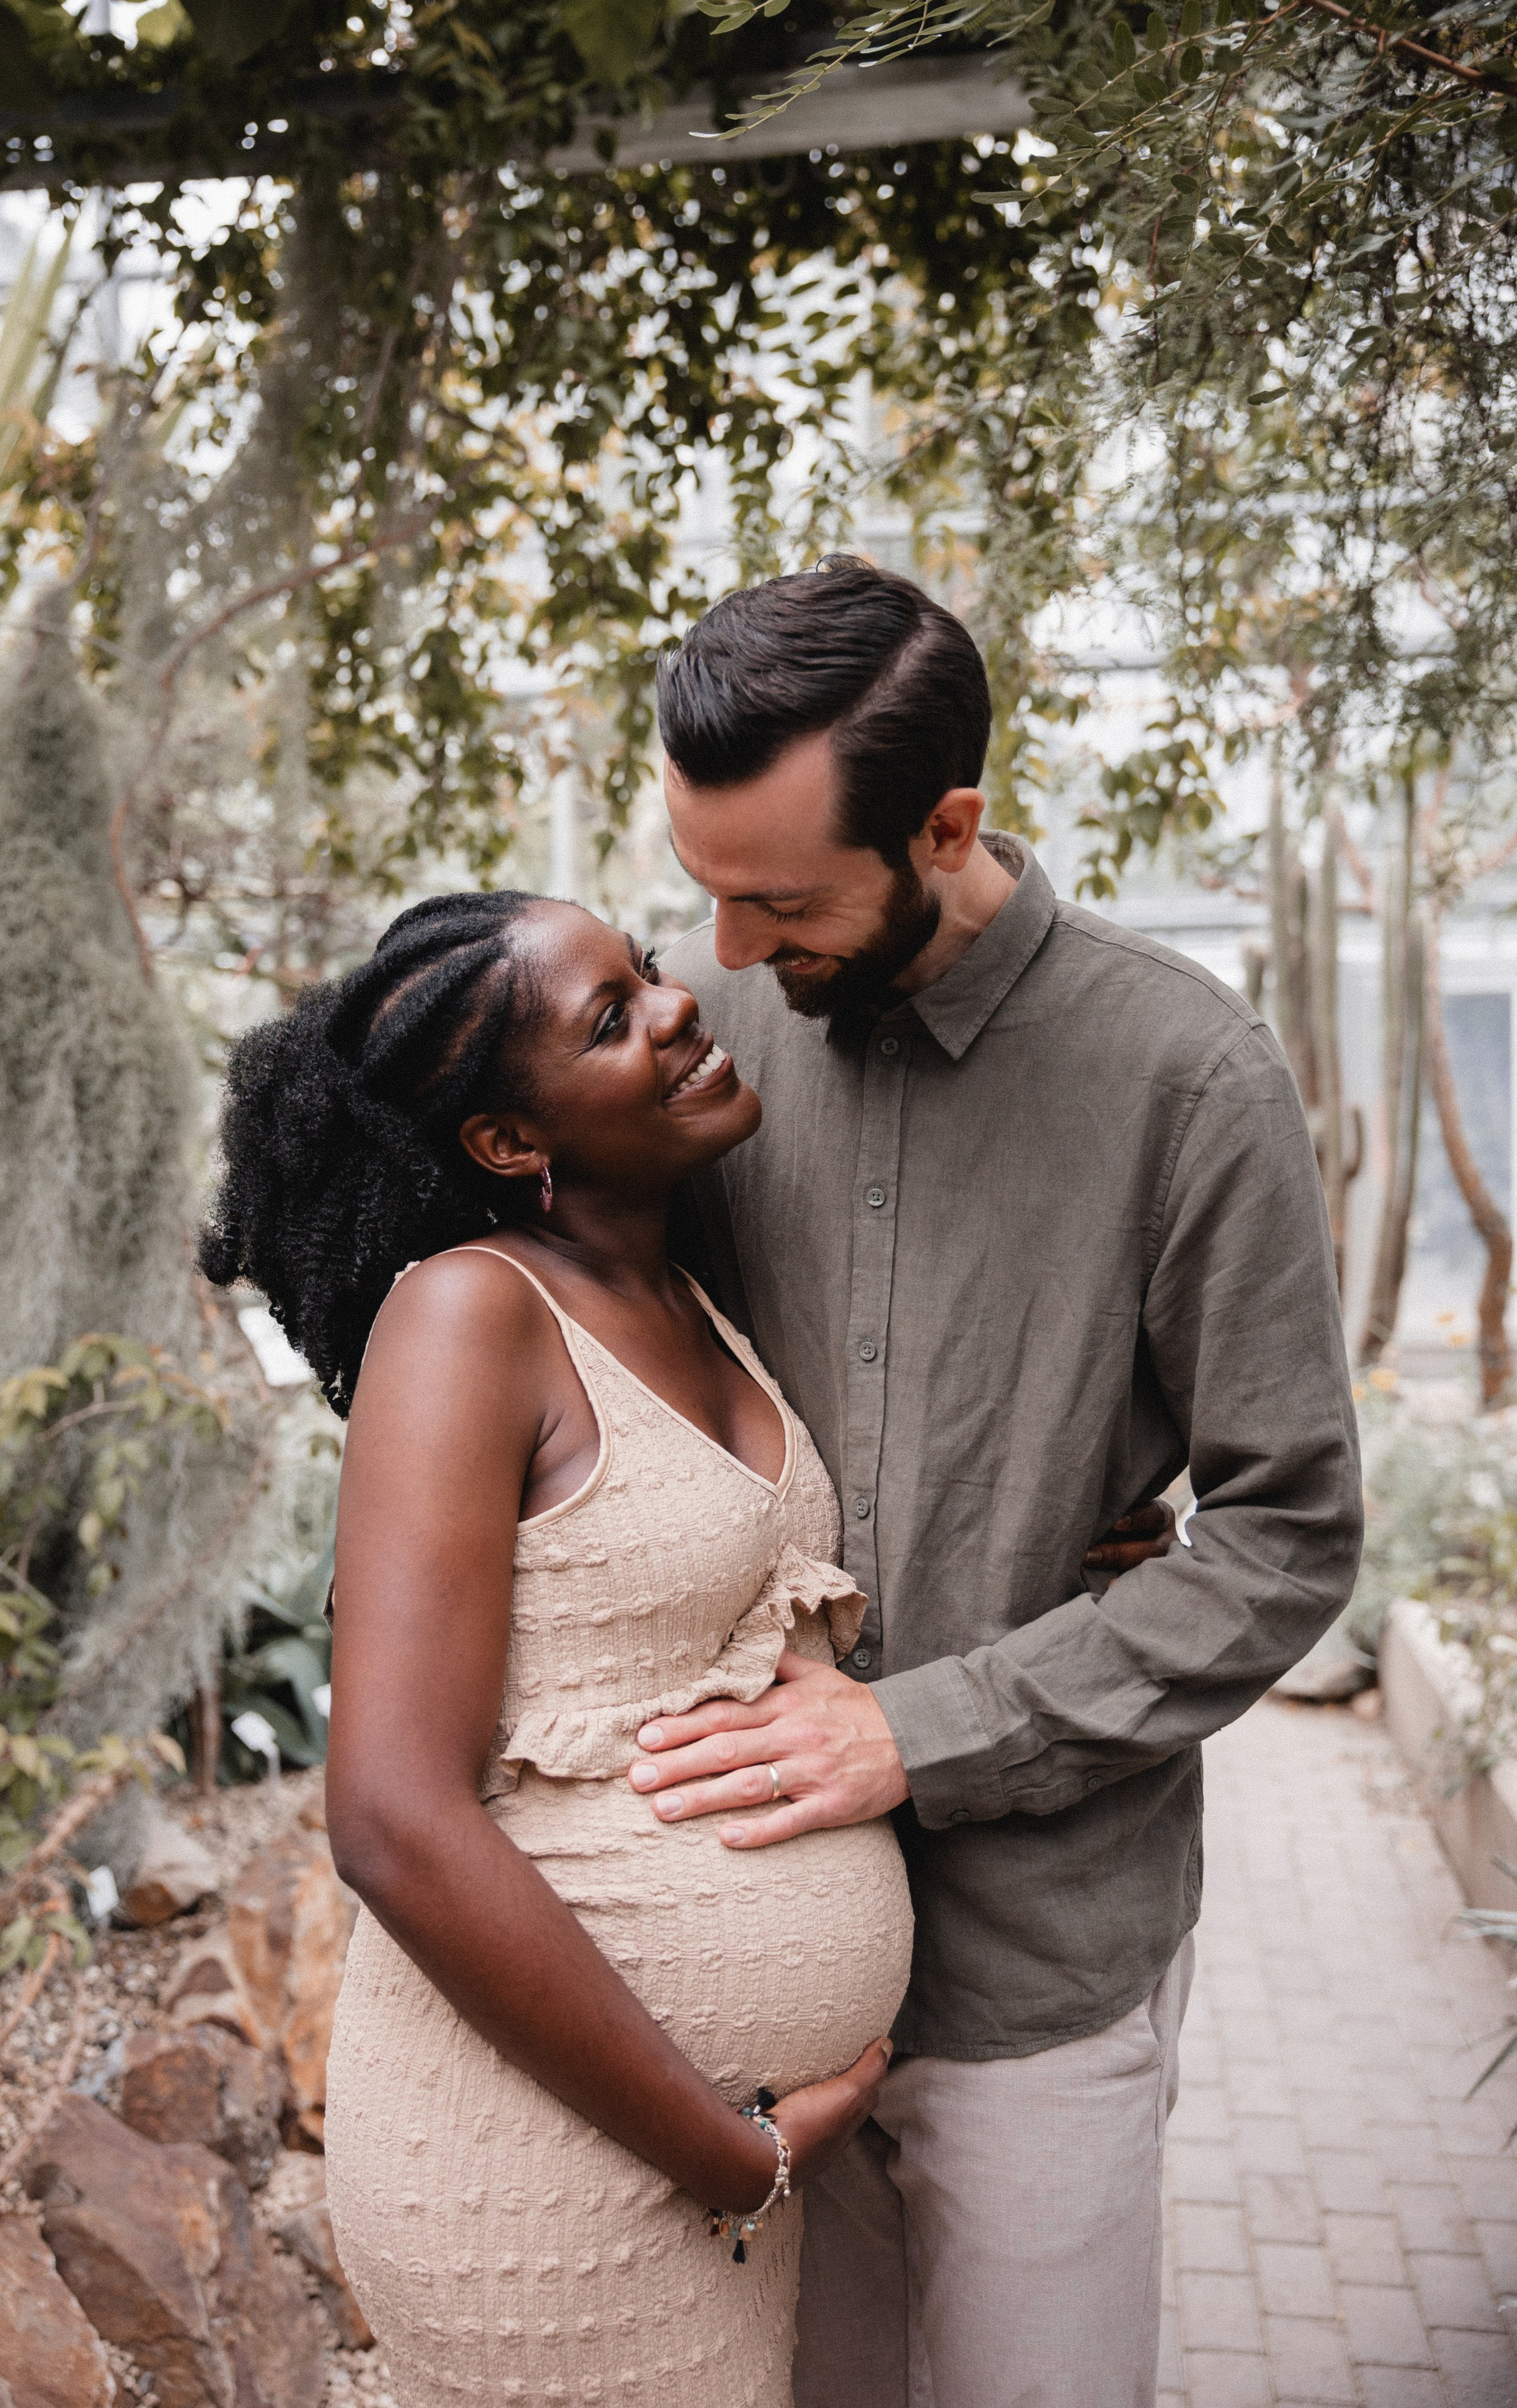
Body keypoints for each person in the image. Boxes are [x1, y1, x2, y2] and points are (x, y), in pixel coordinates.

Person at [633, 556, 1366, 2408]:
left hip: (1038, 1970)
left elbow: (1287, 1536)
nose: (724, 953)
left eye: (779, 901)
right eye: (704, 886)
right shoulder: (697, 1037)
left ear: (947, 828)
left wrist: (924, 1728)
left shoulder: (1187, 1079)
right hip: (751, 1943)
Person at [198, 890, 917, 2407]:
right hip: (553, 2168)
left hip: (711, 2158)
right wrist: (726, 2153)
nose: (676, 1005)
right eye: (611, 1017)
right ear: (507, 1140)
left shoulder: (677, 1291)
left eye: (643, 971)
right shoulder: (469, 1317)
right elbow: (391, 1817)